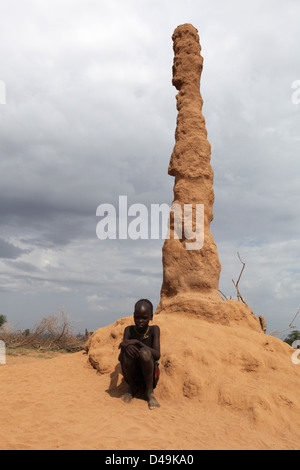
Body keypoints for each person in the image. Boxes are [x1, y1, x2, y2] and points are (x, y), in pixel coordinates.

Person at [118, 299, 160, 410]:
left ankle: (149, 392)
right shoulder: (128, 330)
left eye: (144, 318)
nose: (140, 320)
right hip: (133, 374)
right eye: (137, 317)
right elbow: (120, 355)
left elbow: (157, 355)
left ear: (151, 317)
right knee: (127, 353)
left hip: (149, 373)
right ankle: (131, 388)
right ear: (133, 316)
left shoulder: (154, 330)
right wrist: (126, 347)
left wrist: (137, 342)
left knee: (145, 353)